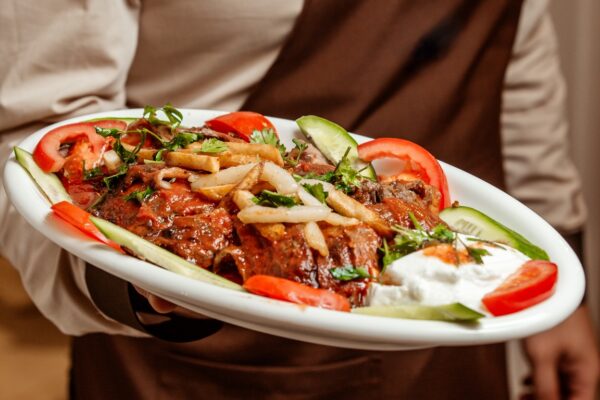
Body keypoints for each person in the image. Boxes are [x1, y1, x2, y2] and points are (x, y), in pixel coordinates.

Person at [0, 0, 597, 398]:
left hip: (453, 313)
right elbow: (39, 136)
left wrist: (555, 279)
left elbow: (515, 54)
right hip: (205, 342)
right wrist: (146, 279)